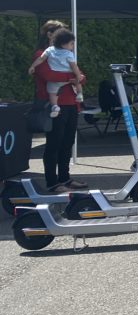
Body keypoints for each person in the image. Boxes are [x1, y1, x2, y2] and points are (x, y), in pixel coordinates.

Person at [30, 20, 88, 193]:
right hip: (54, 104)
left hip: (71, 103)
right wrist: (73, 78)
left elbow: (81, 76)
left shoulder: (65, 53)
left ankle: (65, 178)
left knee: (67, 141)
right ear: (50, 35)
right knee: (54, 143)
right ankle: (52, 181)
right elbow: (49, 75)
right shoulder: (42, 53)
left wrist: (77, 78)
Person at [27, 28, 84, 117]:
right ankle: (80, 94)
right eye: (72, 44)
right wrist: (77, 76)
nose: (73, 46)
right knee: (77, 81)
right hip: (65, 97)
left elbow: (41, 59)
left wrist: (32, 66)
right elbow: (74, 67)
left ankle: (55, 106)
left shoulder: (50, 50)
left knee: (52, 92)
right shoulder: (69, 54)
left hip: (69, 99)